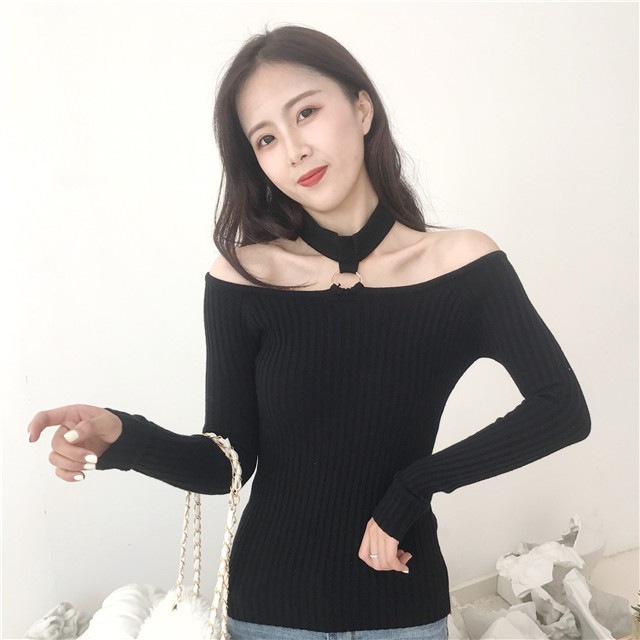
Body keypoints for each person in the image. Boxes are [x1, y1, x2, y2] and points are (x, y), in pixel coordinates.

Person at [27, 25, 591, 640]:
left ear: (362, 108)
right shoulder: (244, 278)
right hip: (267, 610)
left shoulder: (462, 266)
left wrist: (415, 486)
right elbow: (227, 463)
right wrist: (123, 437)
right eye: (266, 138)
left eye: (306, 112)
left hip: (402, 608)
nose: (294, 149)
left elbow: (561, 409)